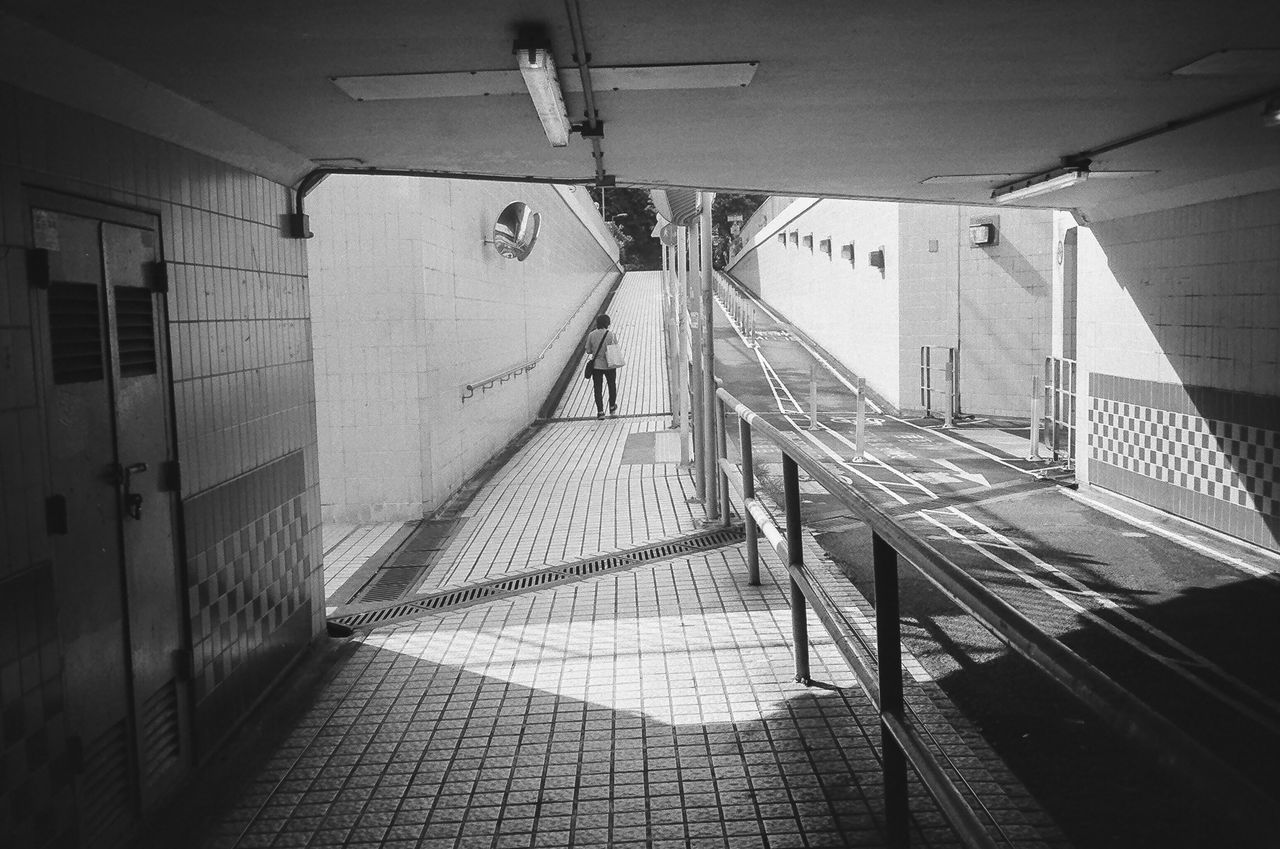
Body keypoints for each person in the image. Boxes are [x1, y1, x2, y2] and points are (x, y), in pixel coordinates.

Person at [584, 313, 619, 419]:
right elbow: (615, 349)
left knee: (598, 388)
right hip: (610, 365)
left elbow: (588, 350)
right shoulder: (611, 335)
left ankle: (600, 412)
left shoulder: (592, 335)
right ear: (607, 323)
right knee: (611, 386)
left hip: (597, 366)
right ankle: (612, 407)